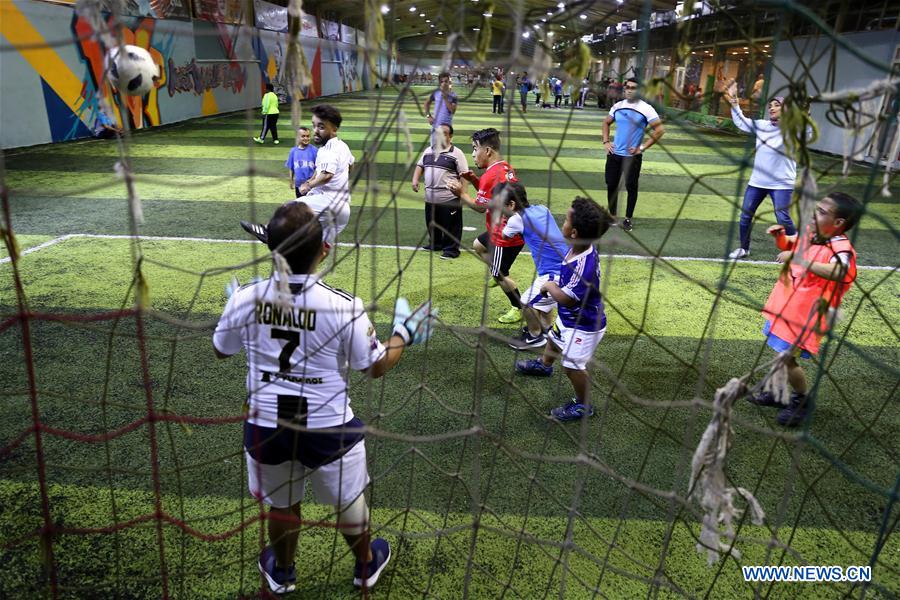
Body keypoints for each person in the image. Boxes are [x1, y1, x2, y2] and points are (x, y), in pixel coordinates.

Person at [214, 202, 435, 594]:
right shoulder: (343, 305)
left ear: (271, 250)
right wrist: (404, 335)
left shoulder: (245, 297)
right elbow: (374, 367)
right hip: (329, 427)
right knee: (349, 502)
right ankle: (365, 565)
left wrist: (240, 312)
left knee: (282, 505)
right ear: (325, 250)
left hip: (267, 425)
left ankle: (283, 572)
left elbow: (221, 351)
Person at [746, 192, 863, 427]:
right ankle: (777, 392)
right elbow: (791, 244)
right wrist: (781, 238)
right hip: (786, 308)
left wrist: (800, 260)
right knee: (780, 353)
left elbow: (841, 271)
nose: (813, 213)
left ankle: (801, 400)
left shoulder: (840, 246)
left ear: (838, 223)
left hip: (805, 316)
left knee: (787, 358)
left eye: (821, 212)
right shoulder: (812, 233)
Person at [514, 197, 614, 422]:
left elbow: (567, 300)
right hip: (570, 319)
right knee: (554, 338)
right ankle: (544, 365)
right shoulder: (579, 248)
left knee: (572, 367)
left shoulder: (583, 266)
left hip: (585, 325)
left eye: (566, 220)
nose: (562, 223)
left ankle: (583, 405)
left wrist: (549, 286)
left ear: (575, 233)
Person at [241, 104, 354, 247]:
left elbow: (327, 175)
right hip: (343, 209)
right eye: (314, 126)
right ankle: (303, 267)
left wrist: (308, 185)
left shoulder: (328, 150)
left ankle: (267, 231)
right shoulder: (342, 146)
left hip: (329, 202)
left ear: (334, 129)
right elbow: (351, 165)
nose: (315, 131)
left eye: (321, 127)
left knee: (289, 207)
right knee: (321, 249)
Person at [446, 128, 526, 324]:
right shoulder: (503, 168)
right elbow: (491, 193)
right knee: (478, 245)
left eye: (475, 149)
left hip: (505, 237)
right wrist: (475, 180)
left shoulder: (491, 175)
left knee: (501, 276)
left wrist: (460, 194)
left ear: (487, 151)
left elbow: (480, 207)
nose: (473, 154)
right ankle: (496, 271)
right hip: (509, 229)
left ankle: (518, 307)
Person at [725, 80, 799, 259]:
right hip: (758, 181)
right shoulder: (763, 126)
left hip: (782, 183)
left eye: (777, 105)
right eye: (770, 106)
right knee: (745, 216)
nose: (772, 108)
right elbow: (742, 123)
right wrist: (734, 100)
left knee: (783, 218)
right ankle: (744, 248)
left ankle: (795, 251)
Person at [494, 182, 569, 349]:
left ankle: (534, 337)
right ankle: (547, 331)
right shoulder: (542, 208)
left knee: (526, 302)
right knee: (543, 302)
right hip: (565, 267)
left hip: (553, 272)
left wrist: (503, 221)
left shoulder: (516, 219)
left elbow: (506, 236)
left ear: (512, 204)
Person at [602, 77, 665, 232]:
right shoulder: (617, 106)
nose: (630, 90)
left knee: (631, 187)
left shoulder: (646, 108)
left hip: (632, 158)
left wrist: (641, 148)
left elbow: (660, 130)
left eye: (633, 88)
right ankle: (613, 216)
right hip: (614, 154)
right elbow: (606, 123)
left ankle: (628, 219)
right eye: (627, 87)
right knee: (611, 185)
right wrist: (606, 141)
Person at [411, 124, 478, 259]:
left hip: (449, 198)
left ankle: (451, 250)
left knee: (451, 226)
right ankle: (435, 244)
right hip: (430, 198)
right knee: (432, 223)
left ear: (450, 136)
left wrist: (463, 194)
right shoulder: (428, 150)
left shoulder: (456, 153)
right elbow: (420, 165)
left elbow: (464, 174)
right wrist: (415, 180)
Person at [285, 126, 318, 198]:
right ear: (298, 137)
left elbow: (318, 168)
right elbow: (291, 168)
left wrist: (311, 180)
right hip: (299, 185)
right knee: (301, 204)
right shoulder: (293, 151)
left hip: (311, 185)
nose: (306, 138)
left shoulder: (315, 150)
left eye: (308, 136)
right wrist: (291, 180)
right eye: (303, 136)